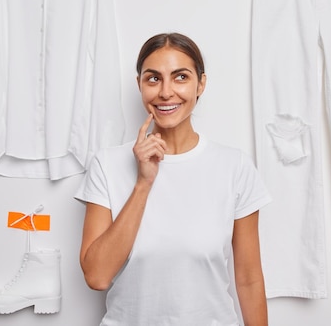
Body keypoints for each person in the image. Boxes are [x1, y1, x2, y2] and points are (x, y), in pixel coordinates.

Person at [74, 32, 272, 325]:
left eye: (180, 77)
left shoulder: (234, 166)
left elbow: (249, 279)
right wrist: (143, 183)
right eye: (153, 79)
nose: (166, 92)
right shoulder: (108, 164)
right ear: (140, 85)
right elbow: (97, 276)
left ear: (200, 84)